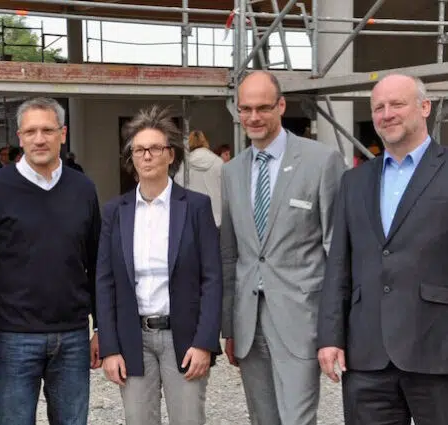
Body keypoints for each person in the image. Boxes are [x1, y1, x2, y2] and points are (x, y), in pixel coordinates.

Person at [318, 74, 448, 425]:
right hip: (367, 354)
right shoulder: (354, 181)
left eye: (397, 104)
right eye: (378, 107)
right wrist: (330, 337)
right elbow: (339, 264)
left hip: (437, 348)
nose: (386, 114)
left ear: (425, 107)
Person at [220, 71, 345, 425]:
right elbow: (230, 254)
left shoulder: (321, 161)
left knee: (297, 419)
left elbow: (337, 251)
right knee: (262, 419)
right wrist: (229, 326)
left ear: (281, 106)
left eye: (263, 108)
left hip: (300, 319)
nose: (254, 117)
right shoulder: (232, 171)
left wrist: (334, 328)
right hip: (249, 322)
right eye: (245, 109)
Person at [0, 97, 101, 425]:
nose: (39, 139)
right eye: (30, 131)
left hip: (73, 336)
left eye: (47, 130)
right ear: (20, 136)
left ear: (63, 134)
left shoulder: (83, 189)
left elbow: (97, 262)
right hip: (14, 337)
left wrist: (100, 327)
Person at [97, 105, 223, 425]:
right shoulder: (115, 211)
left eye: (155, 148)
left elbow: (212, 278)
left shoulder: (196, 207)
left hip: (184, 337)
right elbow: (105, 281)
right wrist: (110, 348)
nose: (147, 156)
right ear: (132, 158)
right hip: (132, 337)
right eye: (139, 150)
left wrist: (205, 342)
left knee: (188, 420)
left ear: (170, 155)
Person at [174, 130, 224, 227]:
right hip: (216, 217)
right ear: (205, 141)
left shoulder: (185, 165)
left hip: (192, 217)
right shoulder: (218, 162)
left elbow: (178, 185)